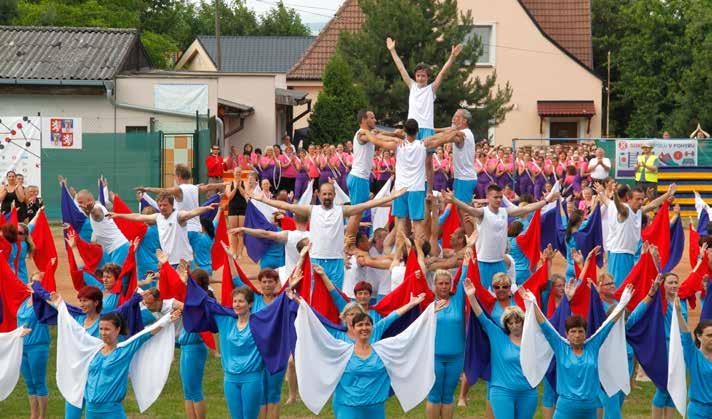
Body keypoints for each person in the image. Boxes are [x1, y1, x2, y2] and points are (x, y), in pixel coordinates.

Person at [250, 181, 406, 291]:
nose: (327, 197)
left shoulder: (341, 210)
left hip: (336, 261)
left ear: (334, 195)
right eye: (324, 194)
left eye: (330, 194)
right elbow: (287, 206)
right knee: (315, 295)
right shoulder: (312, 210)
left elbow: (366, 205)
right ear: (319, 195)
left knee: (335, 295)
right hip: (316, 259)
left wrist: (392, 197)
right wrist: (264, 199)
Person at [524, 282, 628, 419]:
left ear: (585, 333)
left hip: (590, 408)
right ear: (567, 334)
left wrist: (623, 302)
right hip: (565, 409)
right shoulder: (560, 346)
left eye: (580, 331)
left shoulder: (593, 345)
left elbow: (609, 324)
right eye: (573, 331)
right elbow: (544, 325)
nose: (577, 335)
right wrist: (533, 303)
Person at [387, 37, 463, 196]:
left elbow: (443, 73)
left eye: (423, 75)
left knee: (428, 162)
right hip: (412, 128)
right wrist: (392, 50)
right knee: (406, 159)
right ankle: (401, 187)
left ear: (428, 77)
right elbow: (401, 69)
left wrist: (452, 57)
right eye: (418, 75)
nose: (420, 78)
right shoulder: (412, 86)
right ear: (415, 76)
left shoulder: (431, 89)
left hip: (427, 128)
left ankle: (428, 191)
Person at [444, 184, 558, 289]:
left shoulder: (505, 211)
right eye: (495, 197)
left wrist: (546, 201)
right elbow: (469, 209)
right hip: (484, 263)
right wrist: (454, 200)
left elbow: (527, 208)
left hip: (500, 262)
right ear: (488, 197)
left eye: (500, 197)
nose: (499, 200)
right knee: (485, 295)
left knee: (502, 293)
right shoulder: (482, 213)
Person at [463, 278, 538, 419]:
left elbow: (544, 326)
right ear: (506, 325)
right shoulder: (497, 336)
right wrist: (472, 297)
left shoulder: (531, 340)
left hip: (528, 392)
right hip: (502, 391)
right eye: (511, 323)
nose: (515, 325)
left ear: (523, 322)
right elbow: (482, 317)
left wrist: (530, 302)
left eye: (518, 322)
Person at [594, 182, 675, 287]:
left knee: (626, 285)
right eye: (638, 199)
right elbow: (618, 206)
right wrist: (614, 194)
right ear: (629, 199)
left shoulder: (638, 211)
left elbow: (653, 204)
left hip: (627, 254)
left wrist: (668, 194)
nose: (641, 202)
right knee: (619, 286)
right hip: (620, 254)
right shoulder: (625, 210)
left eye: (642, 199)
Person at [108, 192, 219, 267]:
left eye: (165, 205)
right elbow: (138, 217)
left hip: (183, 262)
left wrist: (206, 208)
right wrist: (118, 215)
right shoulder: (158, 217)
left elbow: (191, 213)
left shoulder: (178, 216)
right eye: (160, 205)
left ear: (171, 205)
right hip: (168, 262)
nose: (162, 208)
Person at [134, 164, 226, 254]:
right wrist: (224, 184)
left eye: (174, 175)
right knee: (194, 259)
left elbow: (163, 191)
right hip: (197, 229)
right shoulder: (195, 188)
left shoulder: (179, 190)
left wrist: (147, 189)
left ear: (179, 176)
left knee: (181, 261)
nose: (174, 178)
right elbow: (208, 187)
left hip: (183, 229)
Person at [431, 109, 477, 234]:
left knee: (464, 213)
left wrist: (430, 138)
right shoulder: (461, 131)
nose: (453, 118)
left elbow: (449, 136)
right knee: (459, 211)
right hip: (461, 178)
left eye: (456, 117)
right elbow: (447, 130)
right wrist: (431, 130)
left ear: (464, 121)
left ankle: (471, 243)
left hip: (465, 179)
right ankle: (467, 241)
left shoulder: (463, 134)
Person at [17, 273, 50, 419]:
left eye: (37, 282)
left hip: (38, 346)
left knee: (39, 382)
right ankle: (33, 415)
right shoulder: (24, 302)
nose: (33, 284)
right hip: (22, 347)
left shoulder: (43, 303)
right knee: (29, 383)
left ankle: (42, 416)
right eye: (32, 281)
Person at [674, 299, 712, 419]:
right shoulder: (693, 356)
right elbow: (685, 335)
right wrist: (679, 313)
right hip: (699, 412)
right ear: (699, 336)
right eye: (709, 335)